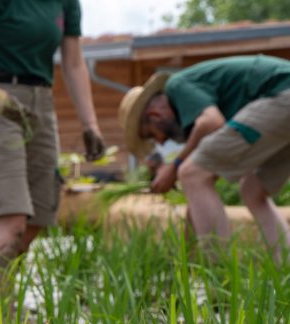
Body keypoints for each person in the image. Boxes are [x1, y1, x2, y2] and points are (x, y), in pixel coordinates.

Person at [0, 0, 105, 279]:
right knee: (12, 222)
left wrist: (90, 123)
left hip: (41, 103)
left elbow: (73, 63)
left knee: (37, 219)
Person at [118, 55, 290, 261]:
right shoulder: (196, 106)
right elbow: (200, 191)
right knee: (252, 191)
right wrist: (186, 255)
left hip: (280, 95)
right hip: (281, 102)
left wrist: (174, 167)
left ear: (154, 114)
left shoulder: (177, 86)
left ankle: (221, 278)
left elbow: (212, 122)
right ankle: (286, 269)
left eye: (151, 135)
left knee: (191, 173)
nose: (161, 142)